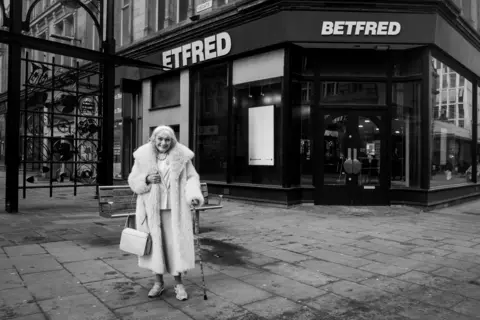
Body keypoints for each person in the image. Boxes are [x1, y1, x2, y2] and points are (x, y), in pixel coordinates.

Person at [127, 125, 204, 301]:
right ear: (153, 139)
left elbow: (192, 178)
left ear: (172, 141)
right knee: (155, 247)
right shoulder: (143, 157)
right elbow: (133, 180)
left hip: (175, 210)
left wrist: (193, 195)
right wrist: (145, 179)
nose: (163, 142)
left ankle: (179, 284)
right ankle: (158, 283)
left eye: (167, 139)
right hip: (151, 210)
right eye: (160, 139)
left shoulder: (182, 157)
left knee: (175, 246)